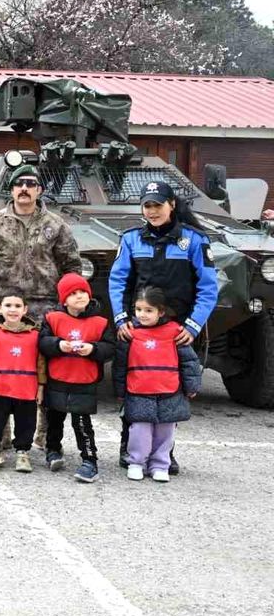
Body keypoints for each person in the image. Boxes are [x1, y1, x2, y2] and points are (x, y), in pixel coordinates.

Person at [108, 180, 217, 473]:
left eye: (158, 204)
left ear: (172, 205)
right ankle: (129, 447)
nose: (152, 211)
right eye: (147, 205)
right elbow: (118, 281)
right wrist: (120, 319)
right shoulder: (131, 239)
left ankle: (164, 453)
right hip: (138, 327)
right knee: (135, 387)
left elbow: (208, 287)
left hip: (177, 330)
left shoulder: (193, 240)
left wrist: (193, 326)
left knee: (171, 393)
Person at [0, 164, 80, 449]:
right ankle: (1, 434)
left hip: (44, 306)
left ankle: (44, 435)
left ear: (39, 190)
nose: (24, 189)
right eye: (19, 184)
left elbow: (71, 267)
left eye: (30, 184)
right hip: (1, 306)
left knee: (42, 371)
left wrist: (67, 308)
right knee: (0, 370)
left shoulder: (56, 225)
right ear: (12, 189)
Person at [113, 286, 202, 483]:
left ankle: (160, 465)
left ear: (161, 312)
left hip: (169, 391)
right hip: (138, 391)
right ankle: (136, 462)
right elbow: (120, 365)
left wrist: (192, 386)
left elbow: (189, 361)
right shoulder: (129, 333)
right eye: (138, 310)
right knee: (139, 431)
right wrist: (119, 390)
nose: (142, 315)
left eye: (148, 310)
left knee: (166, 431)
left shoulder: (175, 332)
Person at [39, 273, 115, 484]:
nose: (79, 296)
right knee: (54, 419)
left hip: (84, 381)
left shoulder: (100, 322)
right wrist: (58, 345)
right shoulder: (53, 319)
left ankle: (90, 460)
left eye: (82, 292)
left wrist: (93, 349)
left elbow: (110, 348)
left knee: (82, 423)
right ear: (64, 300)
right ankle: (53, 450)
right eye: (72, 293)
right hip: (58, 379)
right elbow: (42, 342)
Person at [0, 293, 45, 473]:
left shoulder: (36, 334)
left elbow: (40, 363)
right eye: (8, 305)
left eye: (17, 306)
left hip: (26, 387)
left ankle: (22, 453)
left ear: (25, 310)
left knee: (26, 423)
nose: (13, 309)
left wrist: (40, 387)